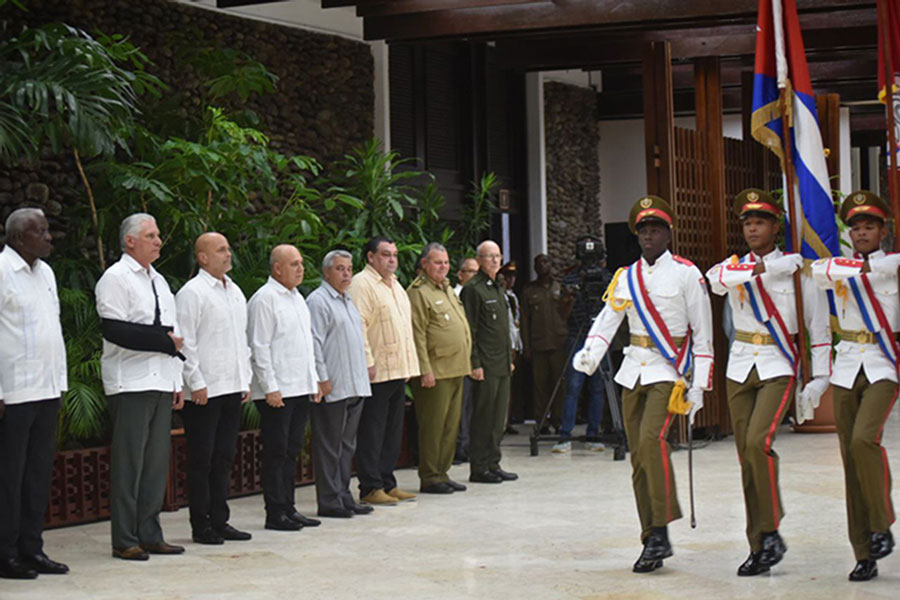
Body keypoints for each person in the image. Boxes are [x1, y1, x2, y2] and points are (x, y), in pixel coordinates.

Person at [574, 196, 713, 573]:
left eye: (656, 230)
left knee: (652, 441)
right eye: (643, 231)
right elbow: (608, 320)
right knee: (638, 457)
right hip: (633, 371)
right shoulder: (626, 276)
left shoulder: (688, 274)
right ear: (637, 236)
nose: (649, 236)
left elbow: (702, 335)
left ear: (669, 234)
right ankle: (650, 534)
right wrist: (591, 352)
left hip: (668, 373)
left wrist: (699, 383)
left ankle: (661, 531)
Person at [706, 189, 831, 577]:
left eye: (760, 222)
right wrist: (765, 271)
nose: (752, 229)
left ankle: (772, 529)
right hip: (741, 367)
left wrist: (821, 377)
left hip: (777, 364)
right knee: (746, 456)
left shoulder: (799, 274)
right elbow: (715, 282)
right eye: (747, 223)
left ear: (776, 227)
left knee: (757, 441)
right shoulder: (732, 267)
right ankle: (758, 544)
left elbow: (819, 327)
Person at [812, 191, 898, 582]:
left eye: (870, 226)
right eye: (856, 227)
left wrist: (876, 269)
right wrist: (817, 374)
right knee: (850, 459)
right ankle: (863, 551)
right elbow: (819, 281)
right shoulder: (835, 269)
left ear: (884, 230)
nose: (862, 233)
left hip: (882, 365)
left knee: (865, 439)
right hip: (846, 366)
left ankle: (882, 524)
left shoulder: (894, 268)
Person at [95, 213, 185, 561]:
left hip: (162, 380)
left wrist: (177, 381)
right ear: (130, 240)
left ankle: (150, 532)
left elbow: (172, 334)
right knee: (129, 463)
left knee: (155, 463)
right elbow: (116, 330)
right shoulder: (116, 278)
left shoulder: (159, 281)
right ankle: (125, 538)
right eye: (150, 235)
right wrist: (163, 343)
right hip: (130, 382)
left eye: (158, 234)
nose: (158, 240)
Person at [0, 208, 69, 579]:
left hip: (45, 387)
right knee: (9, 477)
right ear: (17, 239)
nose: (48, 237)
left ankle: (32, 548)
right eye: (40, 232)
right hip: (14, 391)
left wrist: (59, 380)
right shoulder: (1, 272)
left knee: (38, 474)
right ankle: (5, 553)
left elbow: (51, 330)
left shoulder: (46, 274)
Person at [175, 233, 253, 545]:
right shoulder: (192, 293)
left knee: (224, 457)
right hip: (204, 390)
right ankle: (201, 524)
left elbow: (241, 341)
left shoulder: (234, 291)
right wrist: (196, 382)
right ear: (203, 257)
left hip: (231, 386)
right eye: (220, 250)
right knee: (201, 459)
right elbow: (186, 342)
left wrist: (244, 379)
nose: (228, 254)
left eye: (228, 248)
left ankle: (221, 520)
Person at [247, 245, 321, 531]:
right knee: (276, 453)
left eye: (301, 263)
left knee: (292, 450)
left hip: (299, 386)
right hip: (277, 391)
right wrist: (270, 387)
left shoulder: (297, 298)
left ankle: (289, 508)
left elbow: (306, 344)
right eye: (294, 264)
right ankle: (275, 512)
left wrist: (312, 380)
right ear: (277, 268)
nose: (301, 269)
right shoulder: (265, 299)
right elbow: (259, 346)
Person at [349, 237, 420, 505]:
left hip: (397, 370)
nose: (392, 259)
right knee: (372, 431)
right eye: (385, 254)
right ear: (370, 257)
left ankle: (387, 483)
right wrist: (367, 362)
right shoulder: (362, 283)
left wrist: (410, 365)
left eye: (394, 254)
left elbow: (404, 329)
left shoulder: (396, 285)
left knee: (391, 432)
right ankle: (370, 487)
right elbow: (359, 326)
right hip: (376, 371)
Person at [307, 250, 373, 518]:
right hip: (332, 386)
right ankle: (329, 500)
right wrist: (322, 379)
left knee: (347, 445)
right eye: (339, 269)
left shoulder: (348, 300)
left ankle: (344, 494)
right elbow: (314, 342)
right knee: (329, 447)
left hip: (353, 384)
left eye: (349, 269)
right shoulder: (318, 301)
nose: (346, 274)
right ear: (326, 272)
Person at [408, 243, 473, 494]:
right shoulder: (418, 292)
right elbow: (418, 334)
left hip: (456, 367)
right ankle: (430, 476)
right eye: (437, 262)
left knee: (450, 425)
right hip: (435, 370)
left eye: (446, 263)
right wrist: (425, 369)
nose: (443, 267)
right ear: (424, 264)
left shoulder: (446, 289)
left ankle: (442, 472)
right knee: (433, 426)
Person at [461, 240, 518, 484]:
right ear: (479, 259)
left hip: (502, 363)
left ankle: (493, 462)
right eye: (489, 256)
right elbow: (470, 330)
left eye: (497, 256)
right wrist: (475, 363)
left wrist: (509, 359)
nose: (494, 260)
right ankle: (479, 467)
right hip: (485, 364)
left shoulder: (498, 286)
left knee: (498, 419)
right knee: (483, 418)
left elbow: (502, 328)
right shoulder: (473, 289)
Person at [553, 244, 612, 453]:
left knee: (598, 386)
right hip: (576, 333)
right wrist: (570, 296)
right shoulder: (570, 279)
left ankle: (594, 433)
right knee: (573, 386)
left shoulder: (608, 278)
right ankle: (565, 434)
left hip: (599, 336)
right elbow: (562, 311)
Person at [521, 254, 569, 437]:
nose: (543, 266)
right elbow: (524, 320)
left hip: (558, 343)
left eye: (546, 262)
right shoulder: (529, 291)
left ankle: (558, 421)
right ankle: (541, 422)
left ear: (551, 265)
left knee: (559, 385)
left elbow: (567, 314)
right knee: (540, 386)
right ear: (534, 267)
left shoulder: (559, 288)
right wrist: (526, 346)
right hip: (538, 344)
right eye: (539, 263)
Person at [454, 256, 479, 463]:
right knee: (460, 407)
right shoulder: (454, 296)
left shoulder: (479, 294)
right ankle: (459, 447)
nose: (474, 276)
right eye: (470, 272)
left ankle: (470, 444)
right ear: (460, 275)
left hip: (476, 360)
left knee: (471, 406)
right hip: (456, 360)